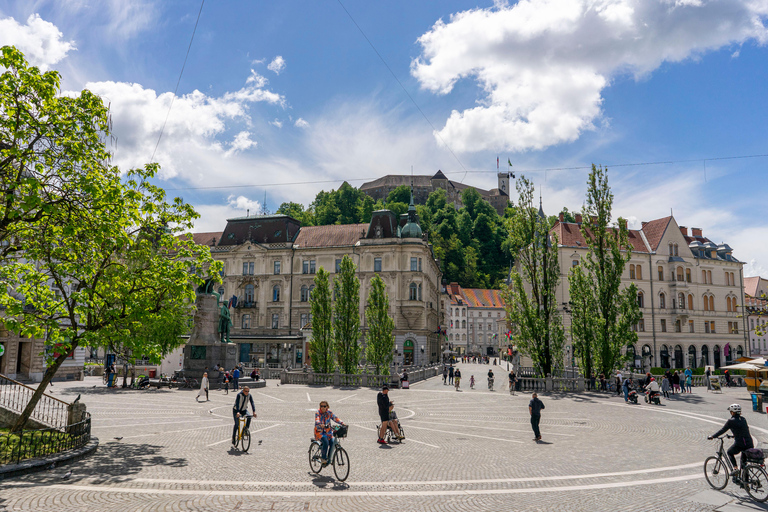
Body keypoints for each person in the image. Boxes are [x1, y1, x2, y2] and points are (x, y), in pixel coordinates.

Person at [708, 404, 754, 480]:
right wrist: (733, 436)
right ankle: (746, 484)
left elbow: (722, 430)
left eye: (731, 411)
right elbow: (743, 431)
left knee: (729, 452)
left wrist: (713, 436)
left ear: (733, 412)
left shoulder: (730, 421)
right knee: (744, 464)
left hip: (740, 443)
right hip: (749, 443)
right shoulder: (743, 419)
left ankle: (735, 469)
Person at [314, 401, 345, 465]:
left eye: (324, 406)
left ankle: (329, 458)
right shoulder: (318, 412)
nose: (322, 407)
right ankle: (323, 458)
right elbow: (317, 420)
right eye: (321, 406)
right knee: (325, 442)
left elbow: (335, 418)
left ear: (327, 407)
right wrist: (320, 424)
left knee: (333, 442)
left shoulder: (329, 412)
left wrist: (342, 423)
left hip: (328, 432)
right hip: (319, 433)